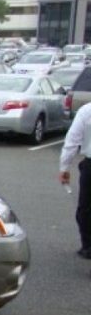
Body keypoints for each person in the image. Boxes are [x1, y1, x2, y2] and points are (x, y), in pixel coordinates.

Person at [59, 101, 91, 259]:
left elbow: (72, 141)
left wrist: (64, 167)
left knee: (85, 209)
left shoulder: (87, 111)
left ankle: (88, 245)